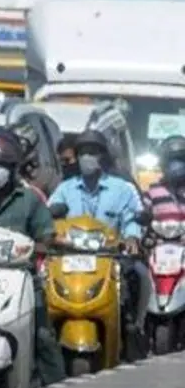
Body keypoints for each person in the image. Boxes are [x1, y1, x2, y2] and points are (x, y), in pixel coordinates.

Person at [0, 131, 66, 387]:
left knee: (44, 336)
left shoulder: (29, 200)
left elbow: (46, 235)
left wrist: (35, 247)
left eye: (1, 165)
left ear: (13, 168)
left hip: (21, 280)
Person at [48, 129, 150, 356]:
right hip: (70, 259)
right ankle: (44, 338)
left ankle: (134, 327)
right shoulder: (65, 189)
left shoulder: (123, 189)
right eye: (83, 152)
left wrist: (132, 237)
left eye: (92, 152)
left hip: (111, 258)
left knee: (141, 274)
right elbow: (48, 216)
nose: (87, 157)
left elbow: (134, 217)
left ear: (102, 156)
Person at [144, 135, 185, 222]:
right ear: (163, 164)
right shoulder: (153, 192)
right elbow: (143, 214)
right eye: (171, 161)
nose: (176, 165)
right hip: (162, 234)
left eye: (180, 160)